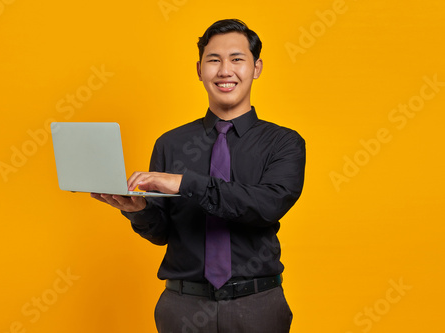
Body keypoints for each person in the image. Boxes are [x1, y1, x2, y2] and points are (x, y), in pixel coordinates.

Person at [91, 19, 305, 333]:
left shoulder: (284, 142)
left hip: (257, 305)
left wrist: (184, 183)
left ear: (256, 67)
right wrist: (139, 211)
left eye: (237, 59)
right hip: (183, 307)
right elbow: (161, 232)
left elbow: (266, 205)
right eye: (214, 60)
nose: (224, 71)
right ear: (199, 69)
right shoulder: (170, 144)